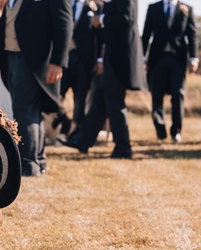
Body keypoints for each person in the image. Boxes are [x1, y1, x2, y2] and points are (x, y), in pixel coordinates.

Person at [0, 0, 73, 176]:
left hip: (34, 61)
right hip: (9, 57)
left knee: (24, 111)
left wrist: (58, 62)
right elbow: (7, 23)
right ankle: (38, 161)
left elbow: (64, 24)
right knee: (30, 112)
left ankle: (28, 164)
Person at [61, 0, 147, 159]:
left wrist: (100, 19)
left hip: (121, 58)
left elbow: (125, 18)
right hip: (113, 56)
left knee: (114, 103)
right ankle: (83, 140)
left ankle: (123, 148)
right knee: (100, 99)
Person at [142, 0, 198, 143]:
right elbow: (147, 32)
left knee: (178, 94)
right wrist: (142, 57)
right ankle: (160, 130)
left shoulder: (187, 9)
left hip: (177, 59)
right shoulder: (153, 8)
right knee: (156, 95)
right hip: (157, 59)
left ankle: (176, 131)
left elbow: (192, 34)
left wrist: (194, 57)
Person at [52, 0, 103, 136]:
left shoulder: (95, 7)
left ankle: (77, 133)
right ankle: (60, 127)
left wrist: (99, 59)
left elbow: (100, 36)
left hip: (84, 61)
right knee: (56, 95)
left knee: (80, 98)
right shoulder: (62, 4)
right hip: (63, 59)